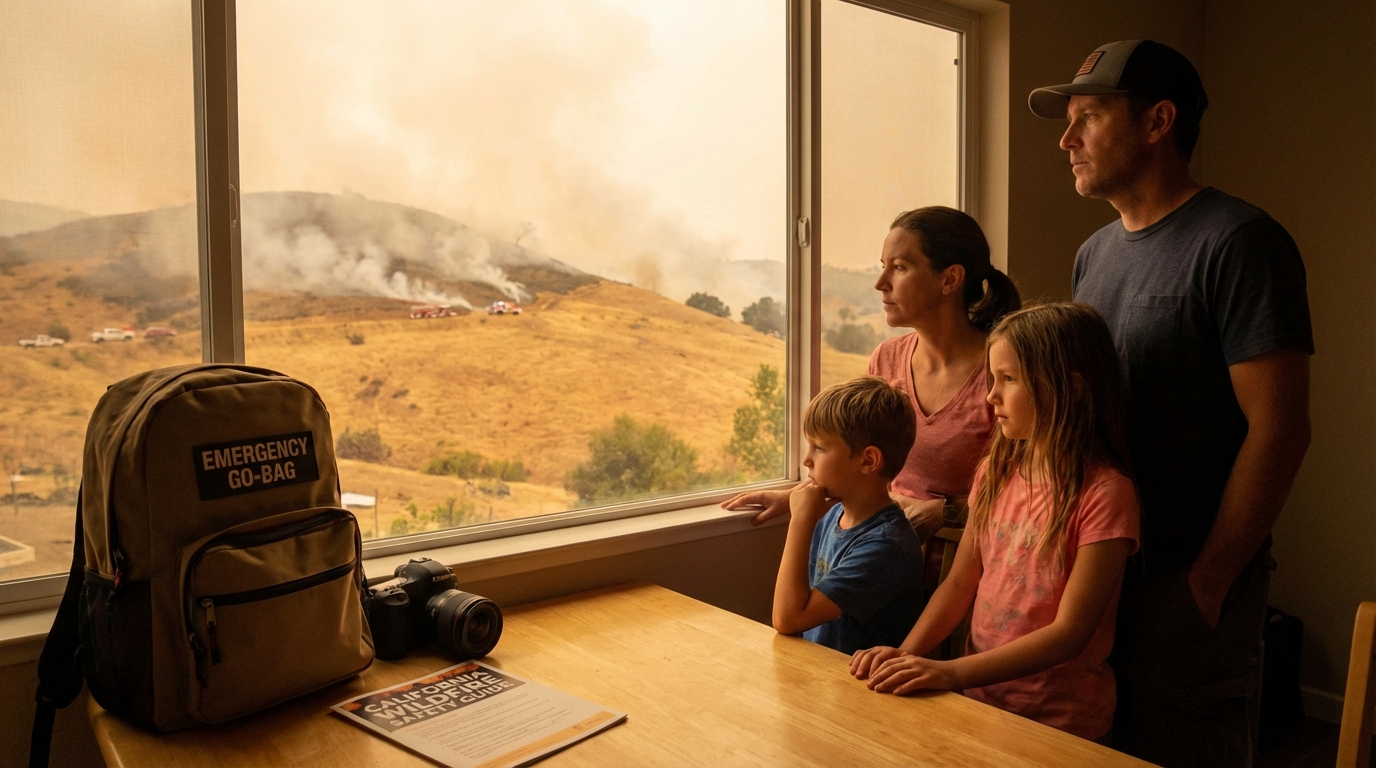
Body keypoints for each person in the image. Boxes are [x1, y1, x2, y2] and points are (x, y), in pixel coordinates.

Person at [1029, 40, 1313, 766]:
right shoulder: (1095, 253)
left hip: (1185, 579)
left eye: (1088, 118)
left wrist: (1209, 580)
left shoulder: (1239, 242)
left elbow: (1279, 431)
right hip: (1098, 574)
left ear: (1159, 122)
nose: (1067, 140)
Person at [850, 303, 1139, 743]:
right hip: (980, 703)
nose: (991, 396)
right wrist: (905, 655)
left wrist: (947, 672)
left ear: (1071, 389)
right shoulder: (995, 472)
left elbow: (1069, 634)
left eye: (1009, 379)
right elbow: (960, 583)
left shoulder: (1106, 494)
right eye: (992, 379)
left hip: (1061, 722)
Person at [724, 206, 1021, 542]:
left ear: (950, 279)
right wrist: (800, 496)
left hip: (971, 573)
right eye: (884, 267)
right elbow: (862, 464)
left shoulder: (1002, 371)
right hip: (881, 560)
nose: (881, 283)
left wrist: (946, 512)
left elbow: (1029, 492)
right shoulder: (886, 360)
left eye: (899, 268)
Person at [771, 376, 925, 655]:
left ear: (868, 461)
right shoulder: (833, 515)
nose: (807, 460)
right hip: (819, 672)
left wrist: (800, 521)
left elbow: (788, 619)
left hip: (857, 687)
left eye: (819, 447)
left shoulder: (886, 545)